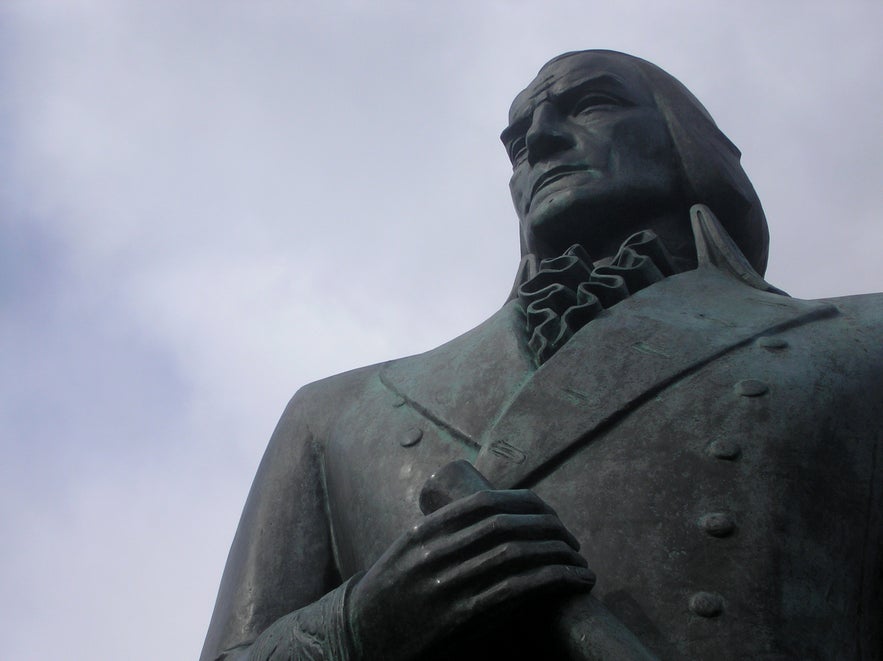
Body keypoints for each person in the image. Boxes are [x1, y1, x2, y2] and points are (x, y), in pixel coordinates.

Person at [200, 50, 883, 660]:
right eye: (517, 142)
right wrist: (361, 623)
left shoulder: (860, 337)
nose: (542, 141)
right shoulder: (338, 413)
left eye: (590, 104)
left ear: (685, 142)